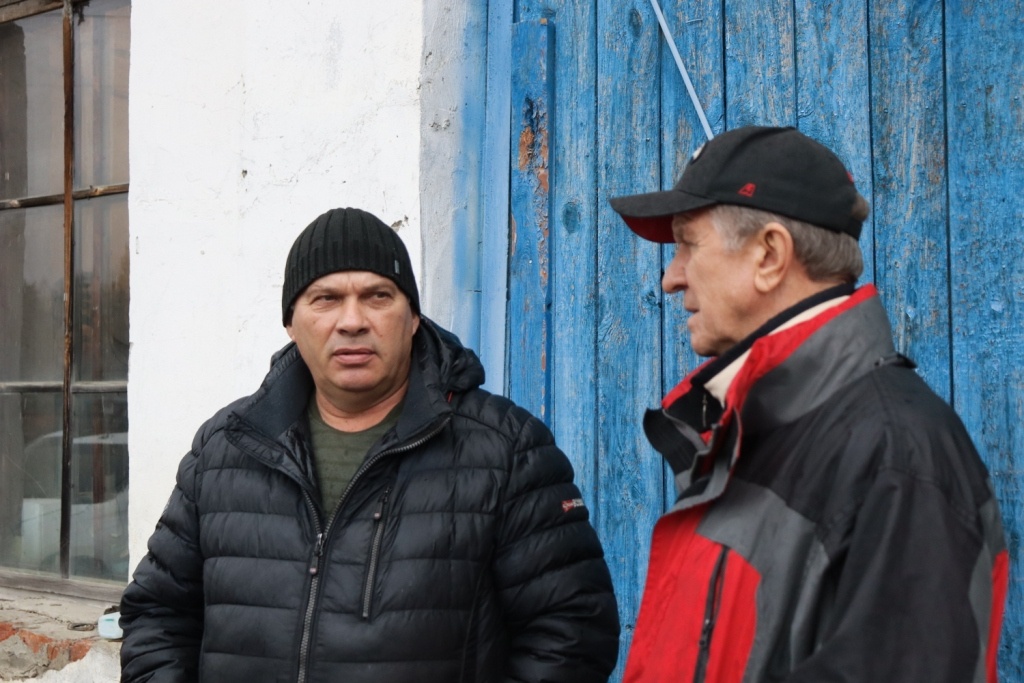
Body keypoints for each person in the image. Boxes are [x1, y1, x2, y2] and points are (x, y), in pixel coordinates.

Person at [119, 207, 620, 682]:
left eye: (378, 296)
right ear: (291, 324)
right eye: (326, 299)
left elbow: (572, 632)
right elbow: (157, 613)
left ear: (413, 318)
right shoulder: (227, 447)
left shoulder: (506, 449)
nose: (352, 320)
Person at [609, 125, 1008, 682]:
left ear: (770, 255)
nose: (672, 278)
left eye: (688, 245)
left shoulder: (897, 453)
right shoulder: (760, 427)